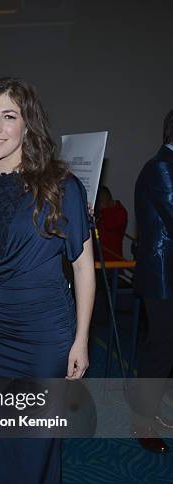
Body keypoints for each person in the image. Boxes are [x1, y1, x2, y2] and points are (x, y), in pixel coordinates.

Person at [0, 77, 95, 484]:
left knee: (34, 443)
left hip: (44, 335)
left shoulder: (61, 187)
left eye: (9, 116)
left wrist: (81, 339)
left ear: (28, 126)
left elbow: (82, 267)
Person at [132, 109, 173, 454]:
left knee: (165, 349)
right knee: (159, 351)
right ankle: (142, 421)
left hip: (167, 275)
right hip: (163, 277)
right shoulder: (160, 167)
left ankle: (153, 413)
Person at [94, 185, 128, 260]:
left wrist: (102, 211)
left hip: (113, 262)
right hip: (99, 259)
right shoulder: (101, 213)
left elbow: (109, 224)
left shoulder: (120, 212)